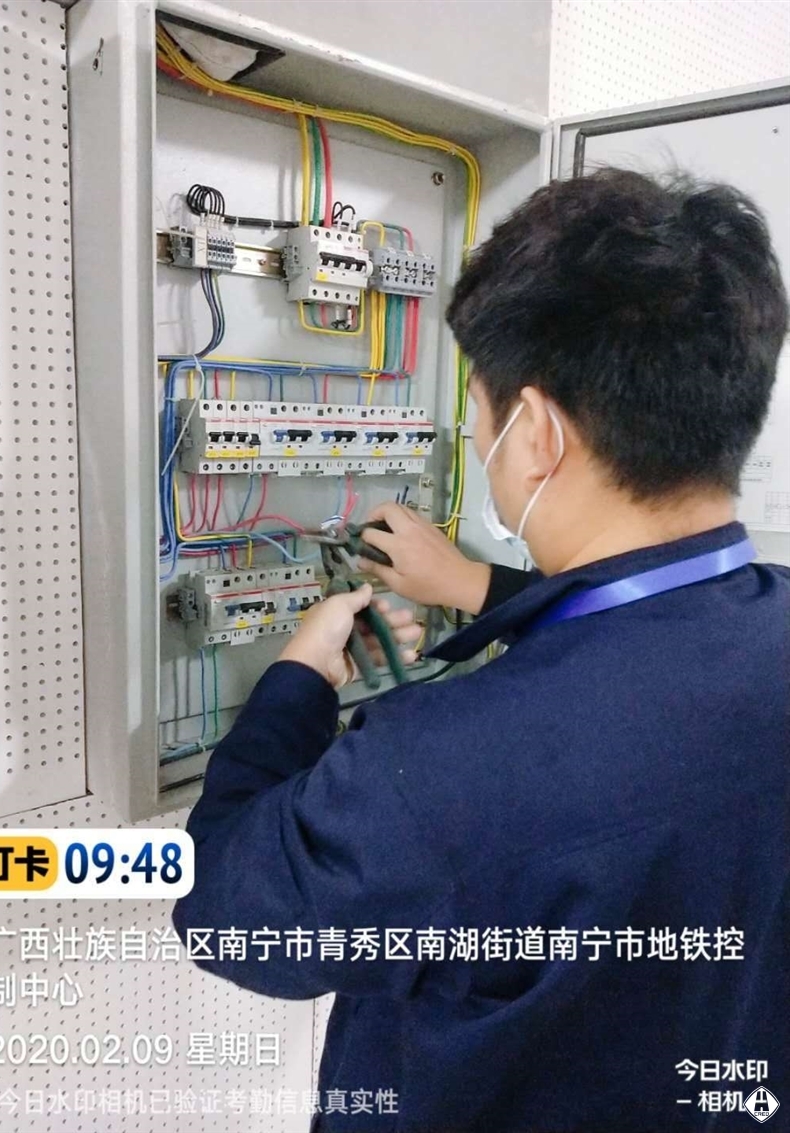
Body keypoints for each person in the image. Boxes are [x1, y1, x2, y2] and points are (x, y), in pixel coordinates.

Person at [172, 168, 789, 1132]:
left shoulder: (441, 768)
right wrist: (471, 587)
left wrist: (296, 680)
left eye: (480, 416)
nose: (479, 438)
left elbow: (224, 909)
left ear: (535, 433)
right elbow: (640, 639)